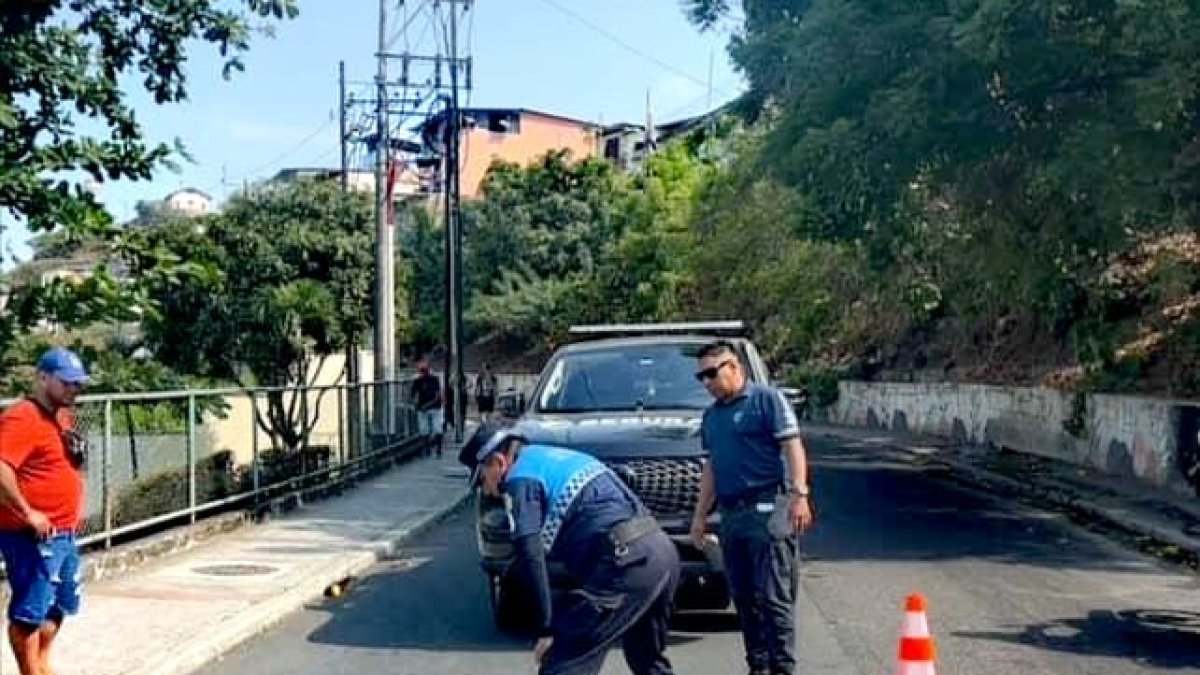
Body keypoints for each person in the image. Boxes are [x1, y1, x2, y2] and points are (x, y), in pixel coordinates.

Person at [460, 422, 680, 675]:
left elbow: (530, 554)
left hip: (625, 564)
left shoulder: (520, 477)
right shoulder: (555, 457)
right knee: (647, 660)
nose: (487, 489)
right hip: (661, 552)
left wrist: (546, 629)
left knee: (563, 663)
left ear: (499, 462)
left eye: (482, 480)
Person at [688, 340, 814, 675]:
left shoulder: (766, 400)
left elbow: (792, 446)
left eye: (712, 373)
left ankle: (782, 668)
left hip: (768, 509)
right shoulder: (712, 417)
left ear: (734, 367)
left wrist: (799, 493)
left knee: (774, 598)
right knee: (744, 599)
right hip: (731, 515)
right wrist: (700, 516)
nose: (707, 382)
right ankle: (757, 666)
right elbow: (711, 468)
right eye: (701, 377)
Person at [0, 347, 91, 675]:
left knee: (60, 604)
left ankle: (41, 663)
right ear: (42, 378)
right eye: (67, 383)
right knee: (29, 612)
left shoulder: (63, 415)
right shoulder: (22, 417)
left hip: (64, 532)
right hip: (31, 535)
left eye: (78, 384)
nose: (74, 390)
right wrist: (28, 513)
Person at [409, 360, 443, 457]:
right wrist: (416, 404)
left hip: (431, 407)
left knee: (433, 429)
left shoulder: (432, 379)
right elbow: (413, 394)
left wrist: (421, 405)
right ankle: (430, 449)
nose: (424, 372)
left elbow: (437, 395)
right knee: (427, 429)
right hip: (427, 407)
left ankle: (434, 449)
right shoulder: (419, 381)